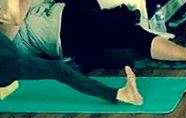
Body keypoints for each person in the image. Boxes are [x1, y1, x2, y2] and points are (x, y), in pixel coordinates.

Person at [6, 0, 186, 68]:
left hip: (63, 10)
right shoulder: (7, 34)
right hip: (60, 32)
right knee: (128, 33)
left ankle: (124, 16)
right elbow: (9, 33)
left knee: (114, 23)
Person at [0, 32, 143, 105]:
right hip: (5, 66)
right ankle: (119, 94)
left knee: (57, 68)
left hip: (8, 56)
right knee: (57, 69)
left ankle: (119, 94)